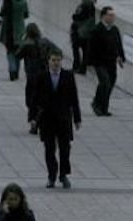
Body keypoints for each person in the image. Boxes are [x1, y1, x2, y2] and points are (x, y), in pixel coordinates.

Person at [34, 49, 81, 189]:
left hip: (64, 118)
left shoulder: (68, 76)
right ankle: (51, 175)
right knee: (49, 149)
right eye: (53, 60)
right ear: (48, 61)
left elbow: (74, 98)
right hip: (47, 119)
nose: (56, 63)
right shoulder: (42, 76)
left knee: (65, 148)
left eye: (58, 60)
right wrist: (32, 117)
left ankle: (64, 175)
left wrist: (77, 118)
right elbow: (35, 97)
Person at [16, 23, 57, 134]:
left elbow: (17, 55)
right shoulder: (45, 41)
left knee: (31, 100)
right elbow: (57, 51)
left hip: (32, 75)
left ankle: (34, 122)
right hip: (44, 74)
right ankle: (41, 120)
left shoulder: (27, 44)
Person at [88, 5, 125, 116]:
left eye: (113, 15)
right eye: (110, 15)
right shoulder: (97, 30)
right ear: (103, 16)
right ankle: (96, 104)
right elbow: (91, 48)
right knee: (105, 82)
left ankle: (104, 107)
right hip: (100, 62)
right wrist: (90, 63)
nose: (113, 17)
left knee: (111, 83)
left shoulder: (114, 29)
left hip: (111, 62)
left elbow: (118, 44)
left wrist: (120, 57)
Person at [0, 0, 27, 81]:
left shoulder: (7, 2)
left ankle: (12, 70)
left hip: (8, 30)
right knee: (18, 52)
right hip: (19, 31)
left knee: (10, 51)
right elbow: (26, 15)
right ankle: (16, 72)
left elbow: (1, 13)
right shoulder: (23, 2)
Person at [70, 0, 95, 74]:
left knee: (75, 49)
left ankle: (76, 66)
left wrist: (74, 16)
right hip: (87, 33)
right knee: (85, 52)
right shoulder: (92, 7)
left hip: (79, 31)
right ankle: (83, 69)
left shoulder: (83, 5)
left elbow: (77, 16)